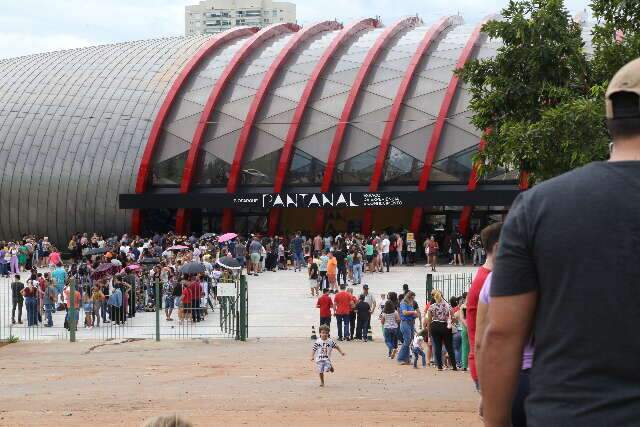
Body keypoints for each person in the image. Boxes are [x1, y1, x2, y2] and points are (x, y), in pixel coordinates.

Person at [480, 59, 640, 426]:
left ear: (610, 119)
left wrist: (497, 421)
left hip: (568, 412)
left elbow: (503, 333)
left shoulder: (539, 204)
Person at [476, 273, 534, 427]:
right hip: (556, 375)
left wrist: (485, 391)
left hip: (513, 378)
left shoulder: (497, 277)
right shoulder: (561, 273)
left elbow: (482, 342)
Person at [466, 222, 501, 388]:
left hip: (486, 364)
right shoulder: (489, 281)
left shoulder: (485, 276)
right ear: (498, 247)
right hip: (488, 366)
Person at [427, 290, 457, 371]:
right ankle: (454, 366)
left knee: (437, 346)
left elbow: (429, 320)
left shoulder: (432, 306)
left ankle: (439, 366)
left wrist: (429, 331)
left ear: (434, 297)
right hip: (445, 326)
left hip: (435, 326)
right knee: (449, 346)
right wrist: (451, 322)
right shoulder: (448, 306)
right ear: (442, 296)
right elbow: (453, 317)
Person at [396, 291, 418, 365]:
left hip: (411, 323)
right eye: (412, 298)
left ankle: (407, 359)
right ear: (409, 297)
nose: (413, 300)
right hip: (405, 323)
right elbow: (405, 312)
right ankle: (400, 358)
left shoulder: (410, 303)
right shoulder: (403, 303)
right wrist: (413, 312)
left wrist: (415, 315)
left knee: (409, 341)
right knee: (407, 341)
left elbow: (410, 313)